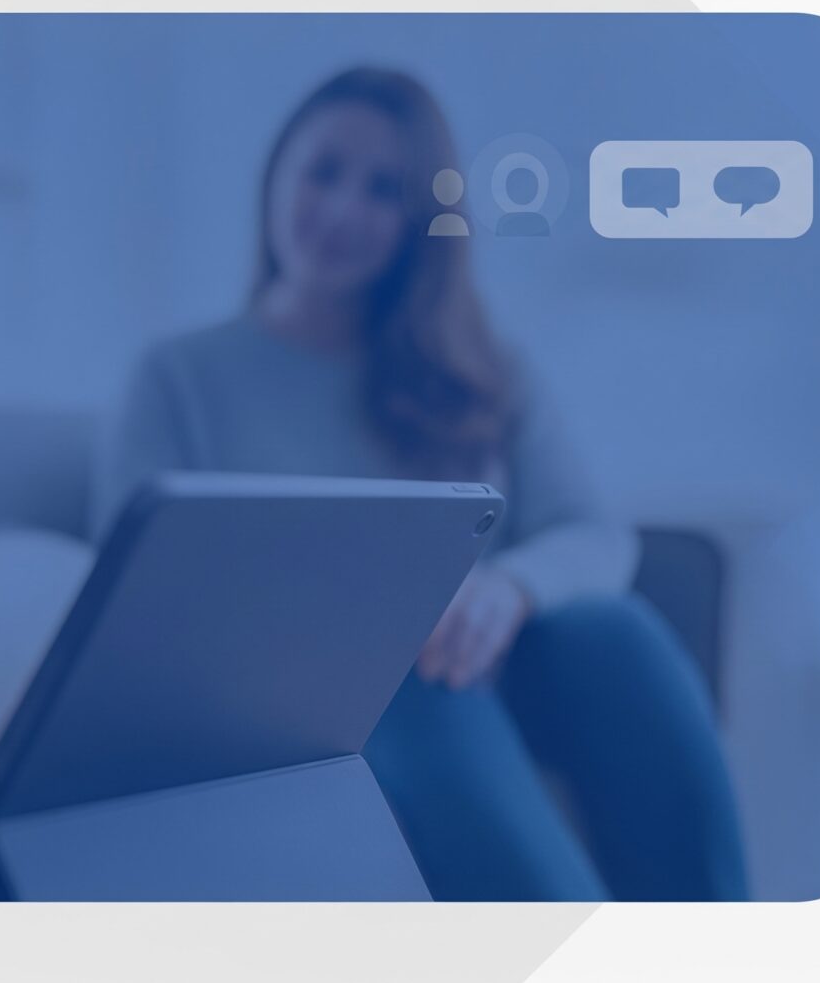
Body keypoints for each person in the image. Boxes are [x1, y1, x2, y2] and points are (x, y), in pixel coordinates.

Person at [92, 66, 750, 901]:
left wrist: (507, 588)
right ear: (276, 175)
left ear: (418, 222)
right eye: (323, 171)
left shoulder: (481, 372)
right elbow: (131, 595)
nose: (340, 210)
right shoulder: (178, 377)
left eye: (382, 189)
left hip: (489, 670)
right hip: (322, 695)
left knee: (614, 631)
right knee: (411, 667)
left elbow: (594, 535)